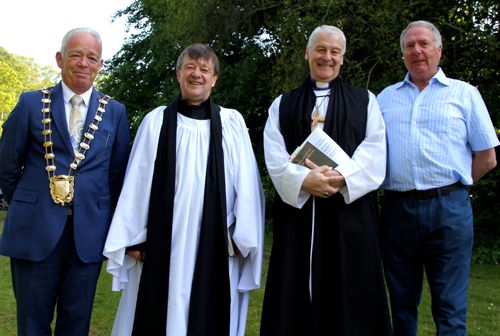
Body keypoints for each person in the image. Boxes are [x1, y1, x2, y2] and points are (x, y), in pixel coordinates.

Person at [103, 43, 264, 336]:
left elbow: (247, 185)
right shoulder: (156, 121)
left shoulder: (231, 123)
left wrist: (244, 235)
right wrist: (134, 239)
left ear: (214, 79)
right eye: (190, 67)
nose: (196, 74)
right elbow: (137, 182)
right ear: (178, 74)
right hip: (163, 238)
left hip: (215, 237)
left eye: (204, 69)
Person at [261, 25, 391, 335]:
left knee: (350, 292)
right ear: (307, 53)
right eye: (320, 49)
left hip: (350, 216)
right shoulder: (284, 103)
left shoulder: (365, 100)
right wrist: (304, 182)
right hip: (298, 219)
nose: (327, 57)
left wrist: (341, 177)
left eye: (335, 51)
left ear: (343, 58)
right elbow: (274, 155)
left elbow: (375, 151)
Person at [0, 27, 130, 335]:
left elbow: (118, 175)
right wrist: (33, 203)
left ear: (100, 65)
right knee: (32, 321)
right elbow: (6, 166)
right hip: (35, 230)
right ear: (60, 59)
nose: (83, 63)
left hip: (88, 235)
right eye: (75, 55)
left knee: (76, 322)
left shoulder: (115, 112)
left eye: (91, 57)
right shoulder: (31, 103)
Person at [377, 20, 499, 336]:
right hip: (397, 211)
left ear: (438, 49)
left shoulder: (465, 94)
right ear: (403, 53)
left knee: (450, 310)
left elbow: (487, 157)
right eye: (409, 45)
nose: (417, 50)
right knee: (401, 306)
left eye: (424, 43)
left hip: (449, 210)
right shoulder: (384, 99)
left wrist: (453, 189)